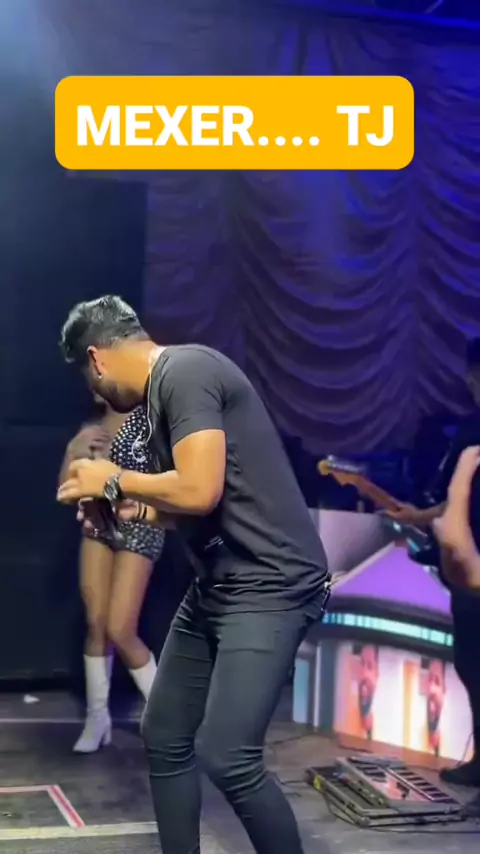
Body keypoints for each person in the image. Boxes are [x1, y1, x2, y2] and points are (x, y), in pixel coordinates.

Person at [56, 295, 330, 854]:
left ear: (97, 359)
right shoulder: (154, 406)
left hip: (272, 582)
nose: (96, 392)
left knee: (228, 756)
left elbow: (201, 490)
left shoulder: (186, 371)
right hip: (219, 583)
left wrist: (112, 479)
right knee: (165, 734)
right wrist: (125, 508)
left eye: (88, 377)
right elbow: (187, 505)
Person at [386, 339, 480, 786]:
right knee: (473, 667)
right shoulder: (470, 430)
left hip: (472, 570)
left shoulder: (470, 439)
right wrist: (420, 517)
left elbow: (453, 513)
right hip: (469, 574)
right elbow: (449, 507)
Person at [60, 396, 165, 753]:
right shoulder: (91, 428)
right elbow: (66, 491)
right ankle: (97, 718)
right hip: (98, 524)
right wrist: (73, 451)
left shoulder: (149, 423)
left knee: (121, 629)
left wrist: (114, 480)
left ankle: (168, 720)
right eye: (91, 373)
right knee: (97, 623)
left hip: (141, 523)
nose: (96, 379)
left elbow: (167, 483)